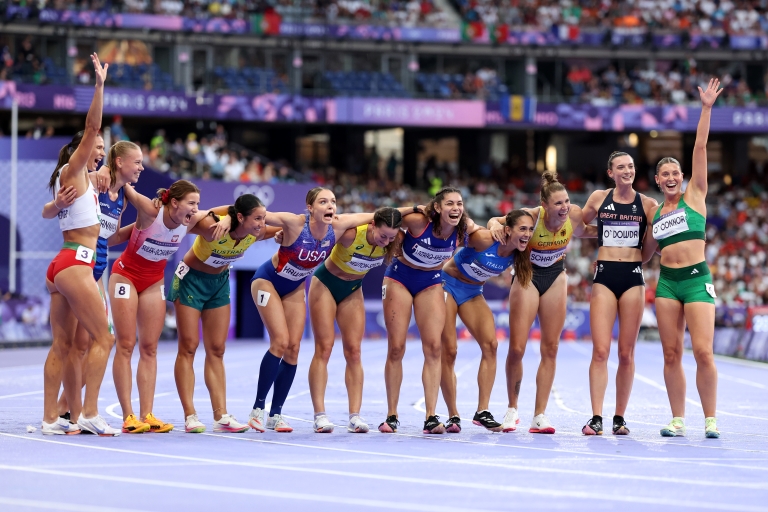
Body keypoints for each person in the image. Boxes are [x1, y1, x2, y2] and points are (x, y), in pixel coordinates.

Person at [247, 188, 380, 433]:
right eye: (323, 201)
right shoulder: (294, 223)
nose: (330, 205)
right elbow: (257, 213)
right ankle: (257, 409)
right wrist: (227, 218)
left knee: (293, 349)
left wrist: (417, 210)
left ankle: (275, 415)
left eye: (333, 201)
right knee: (280, 342)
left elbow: (377, 215)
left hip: (295, 286)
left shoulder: (337, 227)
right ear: (310, 208)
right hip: (267, 281)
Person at [110, 179, 229, 434]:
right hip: (126, 276)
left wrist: (227, 219)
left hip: (153, 282)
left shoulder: (190, 220)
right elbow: (123, 186)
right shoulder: (150, 210)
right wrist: (110, 175)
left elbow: (226, 209)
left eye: (197, 204)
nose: (195, 209)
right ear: (174, 202)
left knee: (150, 348)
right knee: (126, 344)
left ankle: (147, 414)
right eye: (191, 203)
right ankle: (128, 416)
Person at [641, 78, 722, 439]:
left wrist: (706, 108)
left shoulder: (695, 196)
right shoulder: (655, 215)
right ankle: (677, 419)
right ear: (658, 180)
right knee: (671, 354)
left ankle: (710, 419)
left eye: (676, 173)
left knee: (703, 352)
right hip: (667, 284)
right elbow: (645, 254)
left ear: (683, 177)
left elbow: (700, 145)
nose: (672, 177)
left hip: (696, 280)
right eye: (666, 174)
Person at [42, 53, 119, 436]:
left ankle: (53, 419)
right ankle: (89, 412)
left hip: (63, 263)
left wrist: (56, 205)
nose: (100, 150)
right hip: (76, 262)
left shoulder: (77, 178)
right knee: (104, 338)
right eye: (97, 147)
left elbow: (48, 210)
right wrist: (99, 86)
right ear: (82, 151)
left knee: (66, 345)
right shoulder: (75, 168)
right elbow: (91, 126)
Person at [488, 171, 596, 434]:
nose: (565, 207)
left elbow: (585, 231)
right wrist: (493, 227)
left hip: (555, 276)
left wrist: (617, 234)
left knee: (551, 348)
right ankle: (512, 409)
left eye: (567, 201)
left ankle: (539, 415)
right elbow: (495, 220)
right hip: (527, 276)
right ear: (544, 205)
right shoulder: (530, 217)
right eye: (558, 203)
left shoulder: (573, 215)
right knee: (517, 348)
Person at [42, 140, 140, 422]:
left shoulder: (121, 196)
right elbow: (50, 209)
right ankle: (83, 412)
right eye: (137, 162)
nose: (141, 168)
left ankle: (64, 411)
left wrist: (145, 226)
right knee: (94, 341)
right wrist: (100, 169)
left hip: (92, 267)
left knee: (81, 345)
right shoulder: (92, 178)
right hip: (78, 264)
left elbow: (113, 235)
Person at [169, 194, 281, 434]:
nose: (262, 223)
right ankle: (190, 415)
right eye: (257, 218)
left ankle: (220, 416)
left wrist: (286, 232)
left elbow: (286, 227)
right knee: (188, 346)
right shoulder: (213, 226)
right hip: (190, 281)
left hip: (219, 283)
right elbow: (182, 219)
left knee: (217, 349)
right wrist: (224, 217)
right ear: (239, 217)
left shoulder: (255, 233)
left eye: (263, 218)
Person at [379, 187, 480, 435]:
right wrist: (413, 208)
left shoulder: (463, 228)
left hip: (431, 281)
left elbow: (487, 232)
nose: (456, 208)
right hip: (399, 278)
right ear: (437, 207)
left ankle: (431, 416)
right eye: (450, 203)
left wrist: (498, 224)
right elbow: (386, 216)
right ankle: (392, 415)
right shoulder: (418, 220)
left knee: (434, 348)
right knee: (396, 347)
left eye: (459, 203)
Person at [579, 152, 658, 436]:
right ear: (610, 172)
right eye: (621, 167)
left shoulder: (648, 204)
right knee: (600, 350)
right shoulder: (599, 198)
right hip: (605, 276)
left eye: (631, 166)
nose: (627, 171)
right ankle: (596, 417)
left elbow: (649, 252)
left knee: (626, 353)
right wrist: (599, 232)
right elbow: (578, 227)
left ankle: (619, 418)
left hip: (633, 277)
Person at [307, 207, 404, 434]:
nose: (386, 242)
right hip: (325, 284)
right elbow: (328, 226)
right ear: (372, 225)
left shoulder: (394, 240)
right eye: (383, 236)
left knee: (354, 352)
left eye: (391, 238)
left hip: (353, 289)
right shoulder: (351, 233)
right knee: (324, 348)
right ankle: (320, 416)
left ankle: (355, 416)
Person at [440, 210, 534, 433]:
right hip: (446, 284)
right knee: (449, 351)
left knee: (491, 345)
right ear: (508, 230)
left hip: (472, 292)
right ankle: (453, 415)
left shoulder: (519, 253)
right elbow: (451, 237)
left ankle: (482, 411)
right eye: (522, 229)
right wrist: (491, 223)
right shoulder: (485, 239)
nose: (527, 234)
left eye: (530, 230)